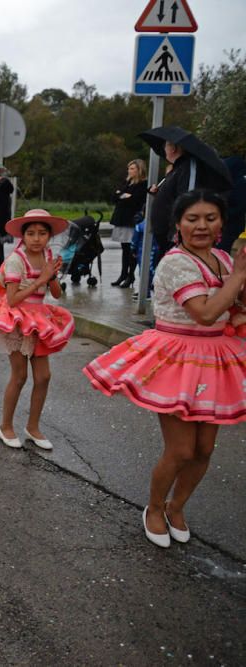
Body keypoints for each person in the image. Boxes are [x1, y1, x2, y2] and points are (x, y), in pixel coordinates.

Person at [83, 190, 246, 548]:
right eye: (192, 219)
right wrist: (240, 277)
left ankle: (177, 506)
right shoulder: (175, 262)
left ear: (222, 222)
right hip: (178, 357)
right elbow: (203, 312)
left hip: (217, 358)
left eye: (210, 218)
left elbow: (229, 309)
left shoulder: (221, 257)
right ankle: (154, 508)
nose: (201, 225)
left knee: (205, 449)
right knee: (182, 449)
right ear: (177, 224)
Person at [0, 209, 74, 450]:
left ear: (49, 236)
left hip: (40, 319)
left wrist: (52, 275)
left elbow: (56, 294)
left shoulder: (47, 255)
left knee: (44, 376)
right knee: (20, 375)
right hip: (16, 319)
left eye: (42, 233)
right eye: (31, 233)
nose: (37, 238)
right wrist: (40, 279)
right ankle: (5, 426)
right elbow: (13, 300)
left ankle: (33, 427)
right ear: (22, 237)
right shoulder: (17, 260)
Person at [109, 159, 149, 288]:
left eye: (132, 168)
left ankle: (130, 276)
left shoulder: (143, 184)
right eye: (129, 168)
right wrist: (123, 196)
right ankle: (123, 274)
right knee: (124, 249)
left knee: (131, 249)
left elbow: (135, 200)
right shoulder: (127, 182)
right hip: (121, 219)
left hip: (131, 221)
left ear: (139, 170)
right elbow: (115, 197)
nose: (129, 171)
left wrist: (124, 196)